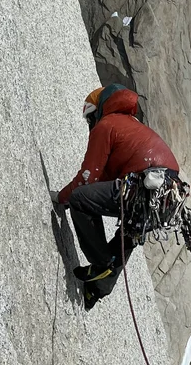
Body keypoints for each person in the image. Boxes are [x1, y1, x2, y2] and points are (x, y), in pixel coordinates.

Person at [55, 83, 179, 308]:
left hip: (141, 184)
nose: (91, 124)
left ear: (100, 109)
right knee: (129, 232)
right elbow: (103, 182)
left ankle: (102, 264)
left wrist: (62, 198)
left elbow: (87, 178)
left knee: (80, 200)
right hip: (168, 195)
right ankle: (97, 288)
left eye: (90, 118)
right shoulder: (132, 126)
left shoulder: (107, 125)